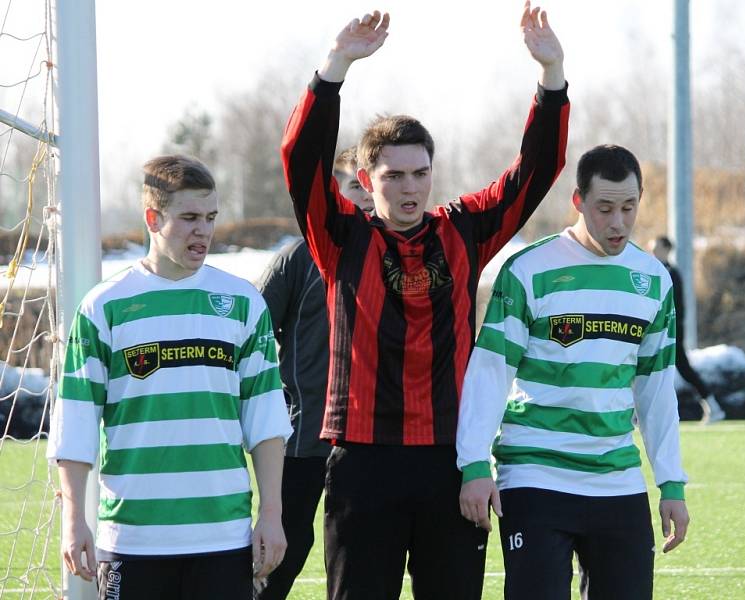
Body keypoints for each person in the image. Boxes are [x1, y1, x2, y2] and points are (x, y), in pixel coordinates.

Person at [280, 3, 569, 598]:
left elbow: (534, 172)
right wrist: (332, 69)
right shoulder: (341, 237)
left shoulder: (463, 230)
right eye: (394, 176)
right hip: (363, 461)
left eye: (420, 173)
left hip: (450, 460)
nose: (409, 188)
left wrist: (551, 77)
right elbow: (300, 161)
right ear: (364, 178)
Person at [47, 155, 293, 599]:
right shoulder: (105, 306)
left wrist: (272, 514)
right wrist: (72, 520)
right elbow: (77, 420)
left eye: (211, 217)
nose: (204, 230)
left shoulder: (242, 302)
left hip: (223, 536)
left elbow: (266, 419)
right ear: (152, 218)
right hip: (132, 540)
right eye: (189, 218)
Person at [457, 145, 690, 600]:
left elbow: (657, 390)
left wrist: (671, 482)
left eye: (628, 207)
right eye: (605, 208)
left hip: (617, 478)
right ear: (578, 201)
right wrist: (473, 463)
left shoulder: (654, 280)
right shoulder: (528, 270)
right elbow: (490, 370)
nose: (618, 222)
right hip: (535, 474)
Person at [256, 147, 373, 599]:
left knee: (352, 552)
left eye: (369, 186)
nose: (364, 197)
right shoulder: (297, 260)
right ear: (334, 194)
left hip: (366, 443)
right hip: (301, 439)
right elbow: (253, 336)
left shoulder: (400, 256)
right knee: (287, 544)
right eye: (353, 186)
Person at [650, 235, 725, 423]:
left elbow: (676, 307)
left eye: (657, 247)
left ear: (667, 250)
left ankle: (712, 405)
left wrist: (671, 329)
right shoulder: (653, 271)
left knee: (682, 369)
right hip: (656, 331)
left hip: (670, 330)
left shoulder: (671, 273)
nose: (653, 251)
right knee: (650, 369)